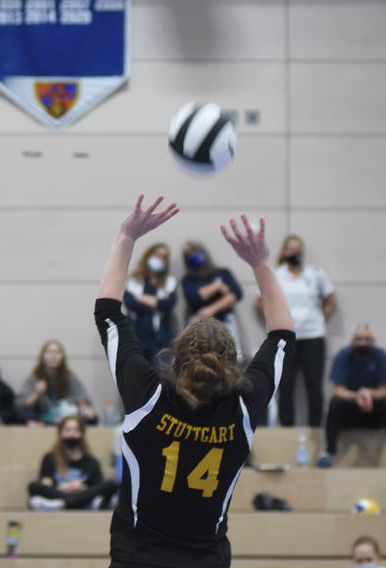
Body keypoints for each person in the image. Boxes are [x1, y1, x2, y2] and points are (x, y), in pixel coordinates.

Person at [95, 195, 295, 567]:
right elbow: (282, 336)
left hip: (137, 558)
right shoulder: (243, 408)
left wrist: (126, 235)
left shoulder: (147, 394)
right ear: (232, 366)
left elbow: (108, 314)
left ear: (175, 358)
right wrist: (263, 263)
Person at [260, 234, 337, 426]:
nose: (294, 252)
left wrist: (319, 318)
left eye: (297, 249)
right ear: (284, 252)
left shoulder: (315, 273)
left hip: (313, 337)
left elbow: (331, 301)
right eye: (291, 249)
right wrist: (276, 321)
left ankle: (316, 430)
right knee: (285, 386)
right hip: (287, 338)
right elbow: (259, 301)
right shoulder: (276, 274)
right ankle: (287, 429)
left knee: (314, 386)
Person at [317, 325, 386, 467]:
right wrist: (358, 396)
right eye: (359, 339)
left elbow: (383, 390)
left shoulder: (380, 356)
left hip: (374, 410)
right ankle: (329, 452)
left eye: (367, 339)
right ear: (353, 340)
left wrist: (369, 394)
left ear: (372, 341)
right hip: (350, 412)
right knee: (335, 403)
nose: (363, 343)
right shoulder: (343, 356)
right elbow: (338, 390)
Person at [27, 415, 120, 511]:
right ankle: (71, 502)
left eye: (76, 431)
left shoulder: (91, 461)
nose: (72, 434)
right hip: (61, 494)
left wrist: (83, 488)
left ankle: (63, 504)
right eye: (67, 430)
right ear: (60, 433)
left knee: (111, 484)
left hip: (83, 496)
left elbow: (98, 486)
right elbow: (45, 485)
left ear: (82, 434)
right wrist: (63, 487)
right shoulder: (50, 458)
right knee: (33, 486)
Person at [181, 242, 244, 358]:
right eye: (190, 256)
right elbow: (195, 297)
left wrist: (211, 309)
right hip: (199, 324)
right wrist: (217, 286)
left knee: (230, 357)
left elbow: (236, 294)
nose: (194, 258)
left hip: (225, 322)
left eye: (196, 254)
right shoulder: (188, 279)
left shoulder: (223, 273)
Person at [17, 340, 98, 425]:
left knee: (92, 418)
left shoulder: (69, 376)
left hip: (66, 418)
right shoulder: (34, 377)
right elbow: (21, 404)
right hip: (41, 419)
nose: (53, 356)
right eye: (50, 352)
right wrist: (37, 393)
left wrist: (85, 408)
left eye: (57, 352)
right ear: (43, 356)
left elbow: (82, 398)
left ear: (62, 356)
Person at [123, 242, 178, 362]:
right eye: (158, 255)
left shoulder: (169, 282)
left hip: (160, 341)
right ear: (148, 255)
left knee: (161, 377)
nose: (161, 260)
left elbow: (167, 305)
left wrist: (140, 297)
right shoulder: (134, 280)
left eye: (164, 257)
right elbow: (130, 303)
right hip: (136, 339)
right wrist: (156, 301)